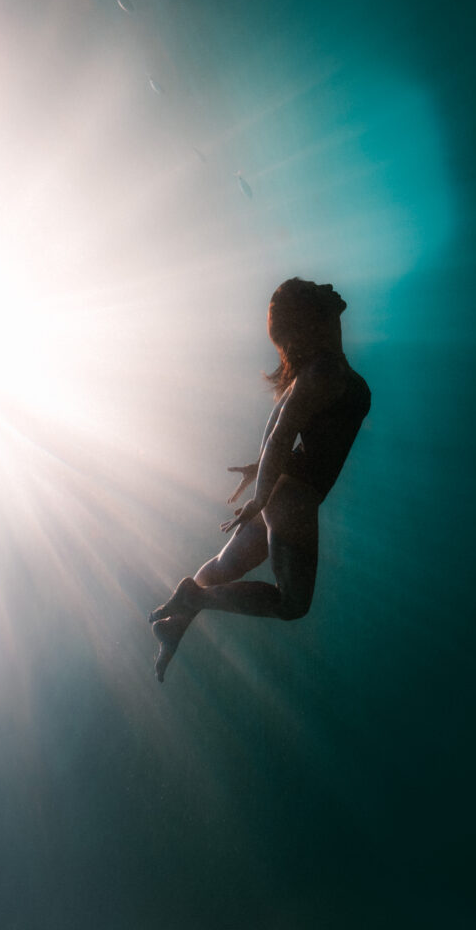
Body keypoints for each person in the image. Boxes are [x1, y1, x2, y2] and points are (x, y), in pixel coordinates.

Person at [149, 277, 371, 682]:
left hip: (282, 492)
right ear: (312, 316)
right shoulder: (322, 373)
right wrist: (262, 492)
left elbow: (276, 435)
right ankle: (193, 598)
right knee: (291, 604)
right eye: (315, 290)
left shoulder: (319, 368)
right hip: (292, 499)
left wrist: (261, 474)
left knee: (220, 567)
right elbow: (281, 433)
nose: (327, 287)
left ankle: (174, 624)